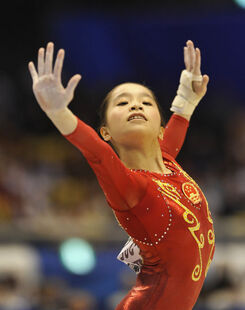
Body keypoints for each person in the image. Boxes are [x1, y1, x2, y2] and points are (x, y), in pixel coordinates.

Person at [28, 40, 215, 310]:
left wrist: (188, 98)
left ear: (161, 129)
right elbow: (96, 153)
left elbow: (180, 118)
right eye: (123, 102)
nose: (135, 106)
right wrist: (59, 112)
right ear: (106, 132)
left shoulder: (168, 162)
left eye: (146, 102)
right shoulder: (129, 186)